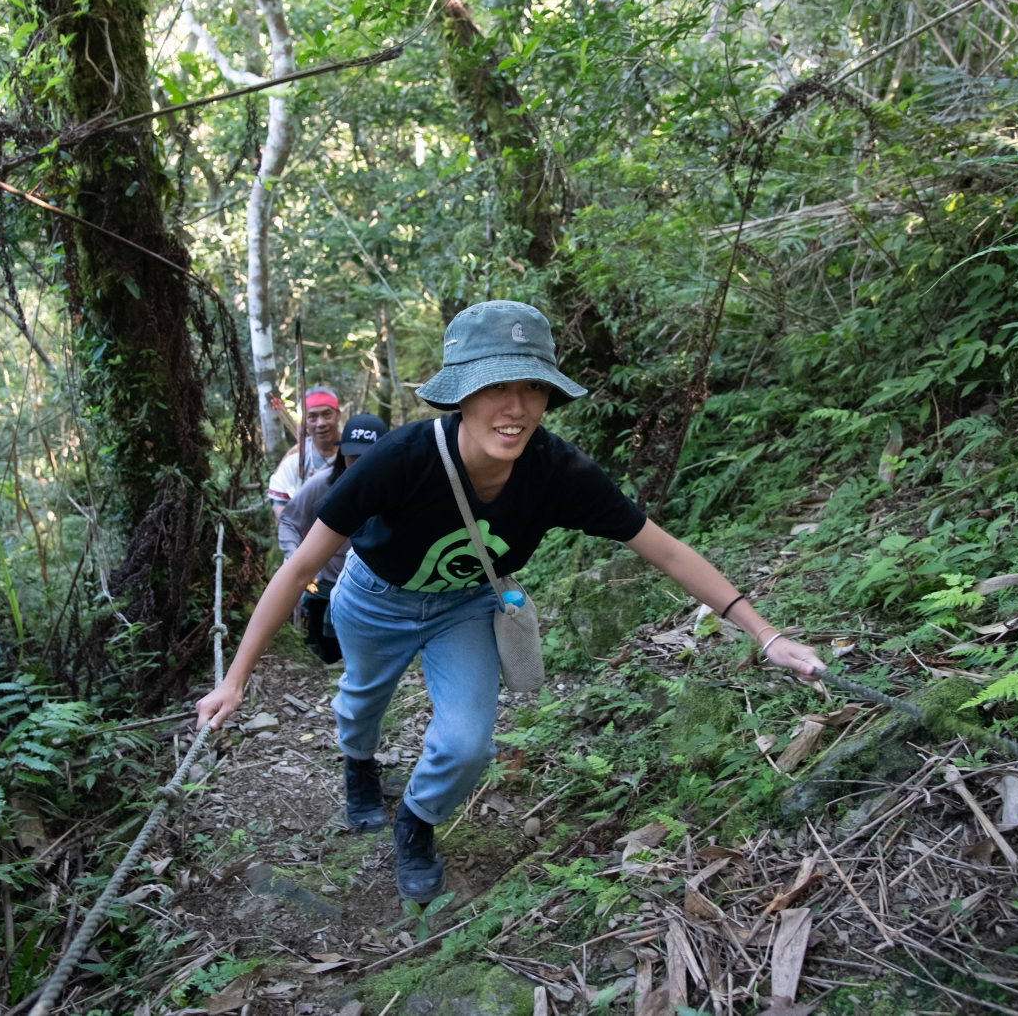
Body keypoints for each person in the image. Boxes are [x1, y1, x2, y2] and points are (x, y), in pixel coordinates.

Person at [200, 301, 825, 904]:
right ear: (460, 393)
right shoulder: (402, 458)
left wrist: (766, 636)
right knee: (363, 701)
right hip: (374, 598)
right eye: (496, 385)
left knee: (469, 743)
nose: (516, 407)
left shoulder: (557, 471)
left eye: (532, 386)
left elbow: (664, 551)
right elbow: (303, 564)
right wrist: (235, 681)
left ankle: (415, 822)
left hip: (465, 607)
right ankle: (358, 765)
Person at [277, 413, 388, 665]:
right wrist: (296, 559)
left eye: (369, 455)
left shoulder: (401, 488)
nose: (361, 463)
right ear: (342, 453)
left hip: (375, 592)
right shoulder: (320, 485)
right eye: (354, 456)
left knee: (366, 656)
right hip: (324, 589)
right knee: (328, 655)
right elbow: (289, 521)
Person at [268, 387, 342, 517]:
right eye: (312, 417)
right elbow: (280, 503)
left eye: (327, 414)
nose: (321, 423)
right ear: (304, 422)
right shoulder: (295, 456)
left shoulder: (355, 451)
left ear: (338, 415)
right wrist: (294, 530)